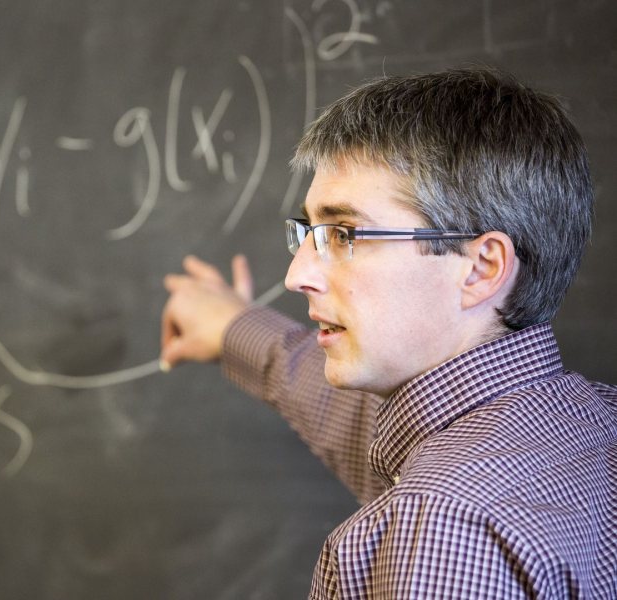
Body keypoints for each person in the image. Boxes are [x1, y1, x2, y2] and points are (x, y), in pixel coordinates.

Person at [160, 68, 617, 599]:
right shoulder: (588, 427)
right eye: (309, 233)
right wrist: (233, 327)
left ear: (481, 268)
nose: (295, 275)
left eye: (345, 233)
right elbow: (366, 425)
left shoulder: (446, 525)